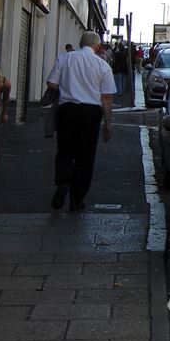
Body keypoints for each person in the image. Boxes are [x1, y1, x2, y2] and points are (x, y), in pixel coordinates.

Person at [46, 31, 117, 211]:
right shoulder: (103, 66)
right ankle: (77, 199)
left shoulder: (65, 58)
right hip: (91, 113)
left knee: (65, 150)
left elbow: (51, 83)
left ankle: (62, 182)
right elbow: (106, 97)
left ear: (79, 43)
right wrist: (108, 124)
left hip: (67, 110)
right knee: (85, 156)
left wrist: (67, 86)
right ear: (98, 47)